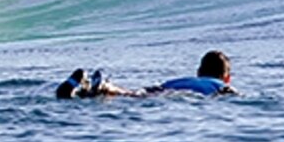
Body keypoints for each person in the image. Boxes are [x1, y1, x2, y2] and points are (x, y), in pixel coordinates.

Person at [56, 50, 237, 99]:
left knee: (134, 93)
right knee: (133, 97)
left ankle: (91, 87)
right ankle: (101, 88)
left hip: (167, 86)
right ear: (227, 77)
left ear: (198, 72)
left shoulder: (182, 80)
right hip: (184, 95)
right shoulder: (220, 86)